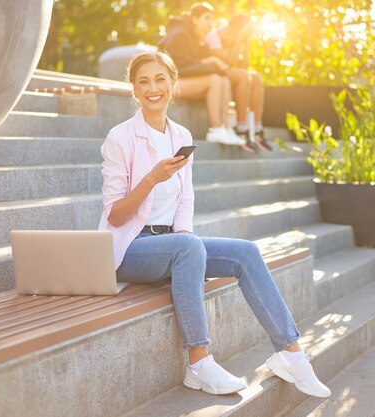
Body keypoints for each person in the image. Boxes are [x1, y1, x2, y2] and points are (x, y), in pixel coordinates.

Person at [98, 50, 331, 398]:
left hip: (173, 245)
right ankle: (199, 361)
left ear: (173, 84)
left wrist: (186, 244)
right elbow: (115, 214)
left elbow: (185, 199)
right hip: (128, 248)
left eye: (160, 79)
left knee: (246, 253)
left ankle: (291, 354)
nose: (153, 88)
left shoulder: (180, 134)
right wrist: (149, 180)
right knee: (188, 247)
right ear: (133, 89)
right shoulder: (120, 138)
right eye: (143, 81)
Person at [158, 3, 253, 151]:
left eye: (212, 19)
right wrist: (212, 64)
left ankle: (224, 129)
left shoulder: (194, 37)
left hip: (181, 80)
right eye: (206, 18)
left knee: (224, 80)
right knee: (215, 80)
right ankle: (215, 130)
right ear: (195, 19)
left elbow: (195, 62)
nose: (211, 23)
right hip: (167, 83)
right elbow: (180, 68)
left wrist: (212, 62)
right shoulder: (180, 34)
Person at [205, 14, 272, 151]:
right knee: (243, 76)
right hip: (215, 71)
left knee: (256, 78)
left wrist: (245, 44)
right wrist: (238, 42)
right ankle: (241, 127)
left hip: (230, 72)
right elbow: (228, 63)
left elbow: (244, 65)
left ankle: (257, 129)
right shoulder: (215, 35)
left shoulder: (239, 38)